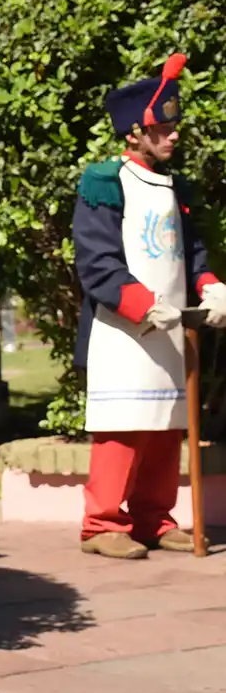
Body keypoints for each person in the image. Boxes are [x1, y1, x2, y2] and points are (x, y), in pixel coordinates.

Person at [73, 53, 226, 559]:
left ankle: (152, 518)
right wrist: (143, 305)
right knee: (124, 426)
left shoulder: (176, 188)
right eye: (163, 126)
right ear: (135, 131)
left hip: (172, 326)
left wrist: (209, 286)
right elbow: (97, 264)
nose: (173, 134)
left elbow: (192, 251)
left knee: (166, 426)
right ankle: (101, 525)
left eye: (174, 125)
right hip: (122, 329)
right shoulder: (103, 181)